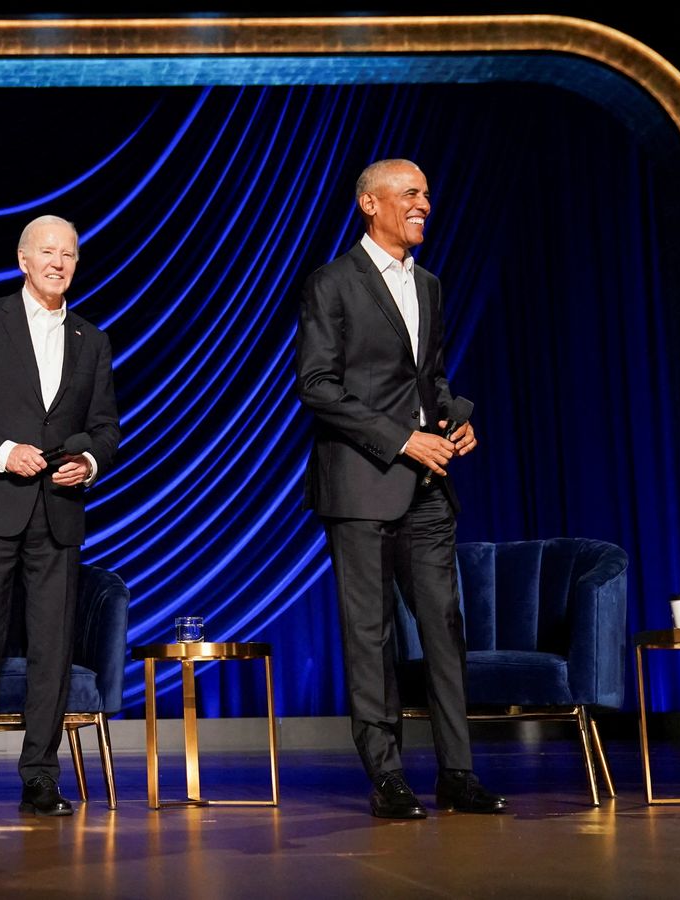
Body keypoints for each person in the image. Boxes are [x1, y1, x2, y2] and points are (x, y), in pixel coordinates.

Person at [295, 159, 506, 819]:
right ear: (370, 203)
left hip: (428, 488)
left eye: (426, 194)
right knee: (370, 633)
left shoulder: (430, 285)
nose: (424, 204)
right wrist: (401, 439)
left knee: (444, 626)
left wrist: (455, 418)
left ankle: (457, 772)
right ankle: (387, 776)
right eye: (410, 193)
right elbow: (317, 385)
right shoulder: (332, 283)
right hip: (360, 486)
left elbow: (429, 379)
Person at [0, 215, 121, 818]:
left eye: (69, 254)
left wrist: (88, 462)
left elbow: (106, 428)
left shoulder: (92, 338)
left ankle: (41, 775)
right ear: (23, 259)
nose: (58, 263)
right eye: (47, 252)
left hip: (57, 514)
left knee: (52, 648)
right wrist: (3, 451)